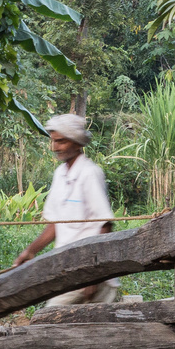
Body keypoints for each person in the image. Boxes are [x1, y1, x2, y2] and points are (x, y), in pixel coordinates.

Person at [14, 113, 120, 305]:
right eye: (54, 141)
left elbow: (105, 225)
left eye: (61, 141)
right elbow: (56, 224)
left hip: (88, 270)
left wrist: (94, 275)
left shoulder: (89, 173)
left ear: (77, 143)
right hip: (68, 269)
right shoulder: (60, 174)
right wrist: (30, 251)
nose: (55, 147)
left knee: (51, 317)